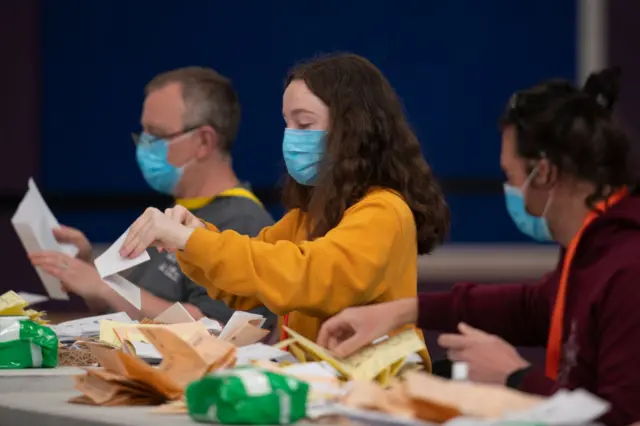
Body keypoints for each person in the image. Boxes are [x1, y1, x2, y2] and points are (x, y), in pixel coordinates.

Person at [316, 67, 640, 426]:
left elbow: (621, 419)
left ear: (544, 172)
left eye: (511, 176)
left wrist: (514, 376)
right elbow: (534, 308)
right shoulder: (590, 247)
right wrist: (400, 311)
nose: (511, 188)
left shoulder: (628, 266)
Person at [118, 53, 450, 364]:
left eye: (304, 125)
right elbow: (245, 281)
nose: (291, 137)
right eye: (287, 123)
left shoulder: (385, 211)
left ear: (353, 130)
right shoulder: (307, 217)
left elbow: (308, 278)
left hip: (376, 398)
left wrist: (193, 241)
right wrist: (194, 234)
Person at [29, 67, 276, 328]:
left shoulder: (243, 221)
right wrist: (89, 272)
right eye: (144, 134)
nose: (145, 146)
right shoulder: (169, 214)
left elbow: (219, 329)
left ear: (204, 141)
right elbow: (125, 314)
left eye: (157, 135)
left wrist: (105, 287)